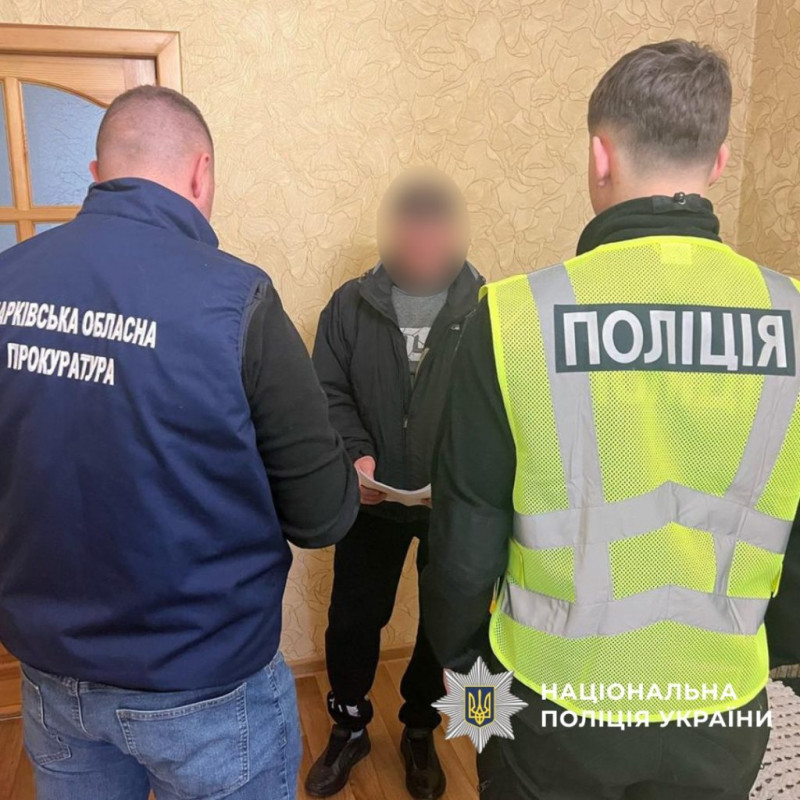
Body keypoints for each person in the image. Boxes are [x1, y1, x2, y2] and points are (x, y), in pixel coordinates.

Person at [422, 40, 800, 800]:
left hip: (552, 704)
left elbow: (463, 552)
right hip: (722, 704)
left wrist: (468, 685)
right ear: (719, 161)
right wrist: (772, 656)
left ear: (599, 155)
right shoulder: (790, 316)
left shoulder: (514, 318)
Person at [0, 85, 359, 800]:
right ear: (202, 174)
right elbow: (323, 515)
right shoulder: (237, 300)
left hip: (52, 679)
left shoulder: (8, 281)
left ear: (97, 176)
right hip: (207, 687)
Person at [306, 168, 483, 799]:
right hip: (371, 501)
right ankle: (349, 725)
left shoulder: (490, 309)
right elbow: (326, 391)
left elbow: (498, 406)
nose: (424, 242)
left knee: (441, 623)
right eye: (412, 229)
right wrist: (356, 457)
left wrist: (463, 472)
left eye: (436, 230)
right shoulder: (349, 305)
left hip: (451, 506)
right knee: (353, 620)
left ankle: (419, 728)